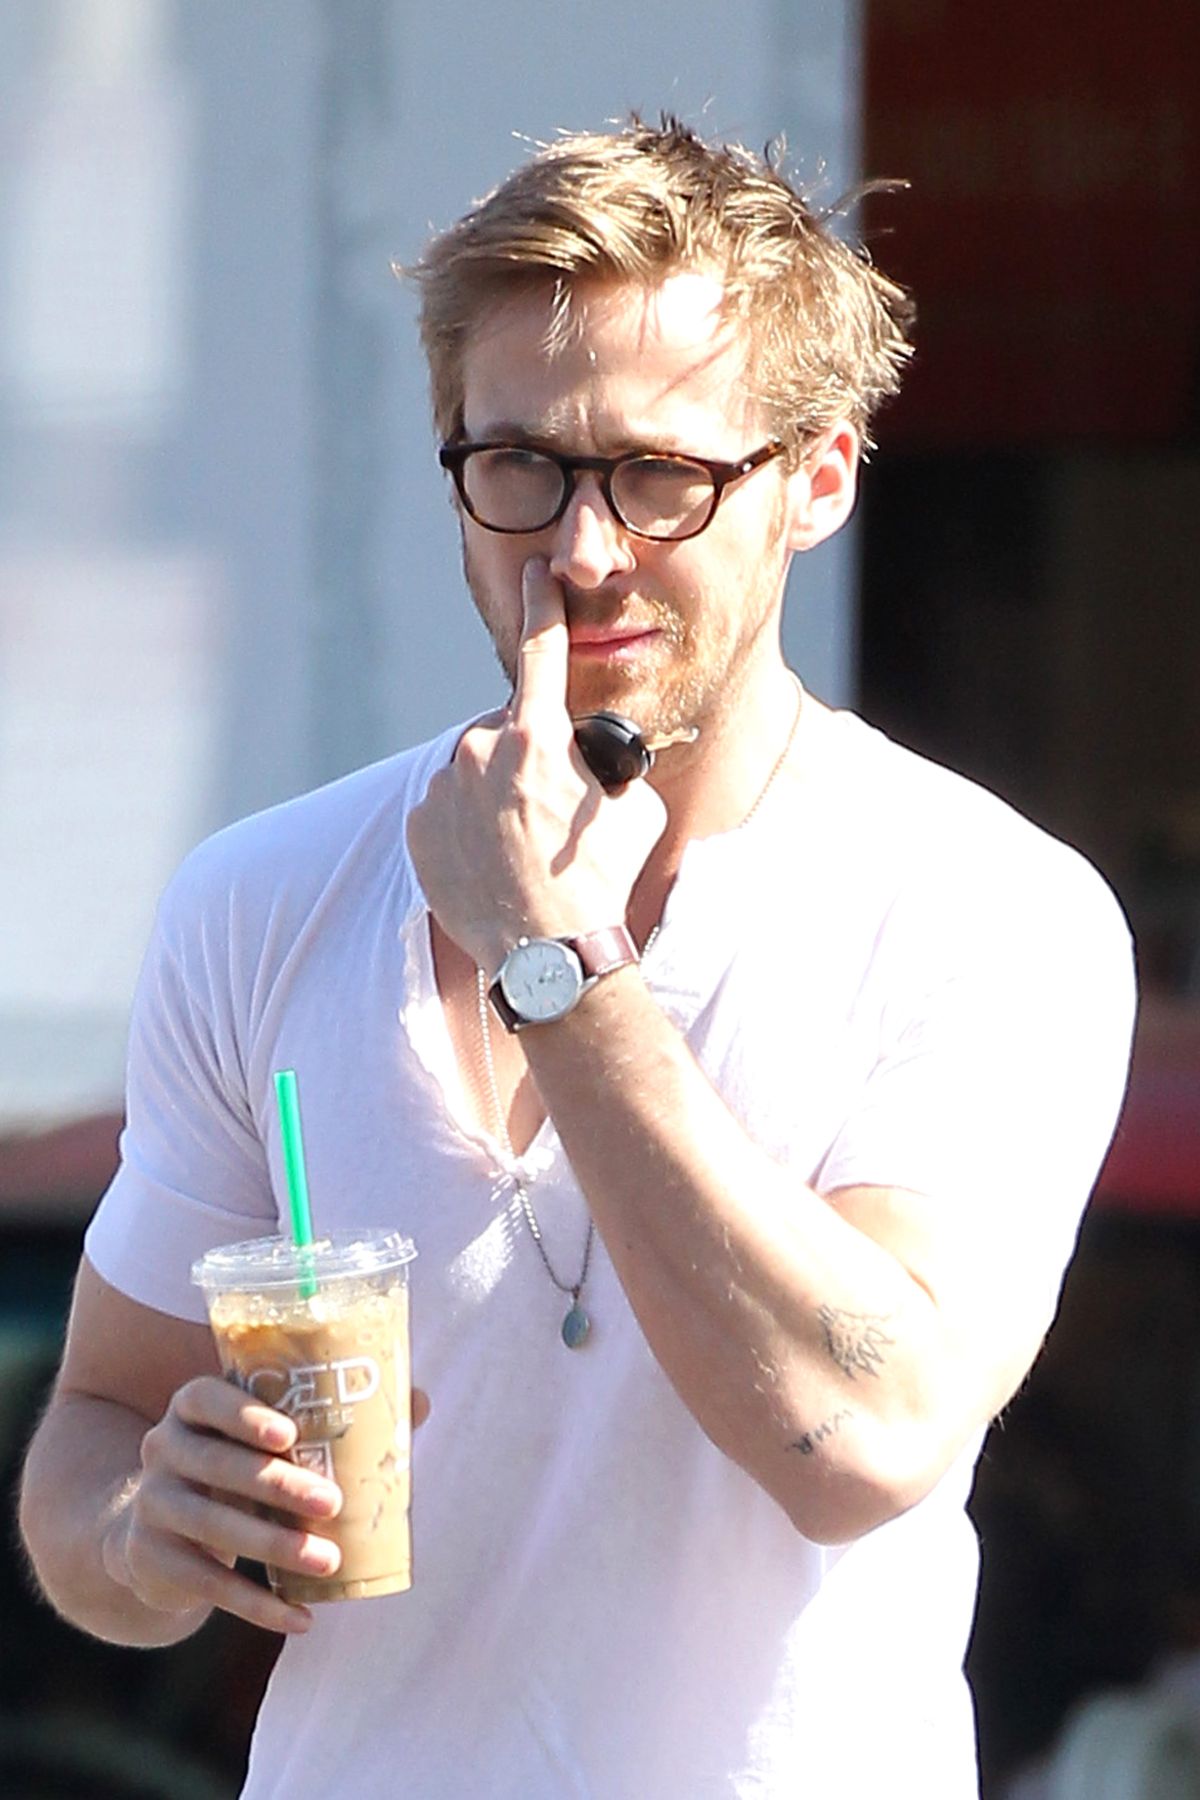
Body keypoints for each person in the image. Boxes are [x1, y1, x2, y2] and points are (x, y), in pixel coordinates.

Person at [20, 117, 1135, 1798]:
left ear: (818, 479)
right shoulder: (265, 899)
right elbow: (88, 1456)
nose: (584, 546)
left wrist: (548, 953)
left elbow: (867, 1438)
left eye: (663, 474)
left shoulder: (988, 907)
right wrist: (148, 1527)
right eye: (521, 463)